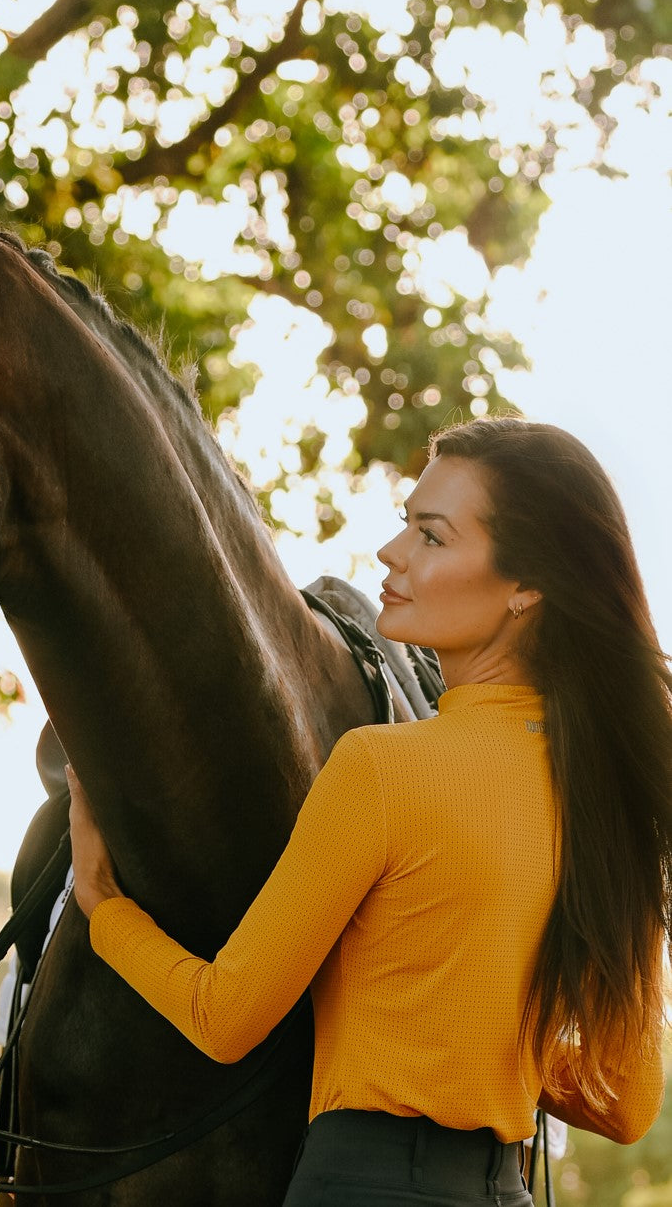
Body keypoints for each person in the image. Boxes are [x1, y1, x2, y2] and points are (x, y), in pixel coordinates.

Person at [67, 416, 670, 1205]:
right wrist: (486, 1046)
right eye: (403, 526)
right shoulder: (611, 794)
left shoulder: (382, 767)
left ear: (527, 586)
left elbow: (224, 1018)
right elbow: (625, 1106)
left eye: (432, 536)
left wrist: (101, 904)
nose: (392, 554)